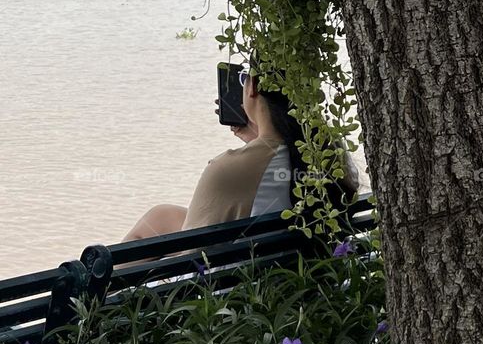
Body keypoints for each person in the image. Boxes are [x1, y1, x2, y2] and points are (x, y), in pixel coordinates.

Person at [120, 68, 359, 242]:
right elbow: (272, 180)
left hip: (225, 289)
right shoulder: (325, 154)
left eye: (244, 77)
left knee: (148, 230)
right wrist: (255, 137)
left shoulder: (225, 170)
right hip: (291, 268)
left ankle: (95, 306)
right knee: (161, 216)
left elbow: (192, 252)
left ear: (252, 86)